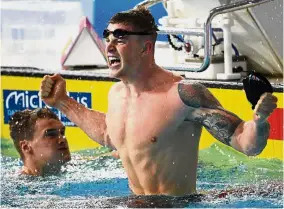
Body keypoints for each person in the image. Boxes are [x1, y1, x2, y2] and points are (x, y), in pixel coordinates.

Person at [40, 6, 277, 195]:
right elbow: (108, 133)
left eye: (120, 38)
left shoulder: (183, 95)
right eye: (107, 37)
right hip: (134, 202)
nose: (109, 46)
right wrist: (63, 102)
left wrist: (259, 120)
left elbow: (246, 144)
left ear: (146, 47)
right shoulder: (117, 95)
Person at [9, 108, 71, 176]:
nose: (62, 139)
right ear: (26, 147)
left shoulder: (76, 170)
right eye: (51, 134)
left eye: (62, 133)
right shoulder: (14, 185)